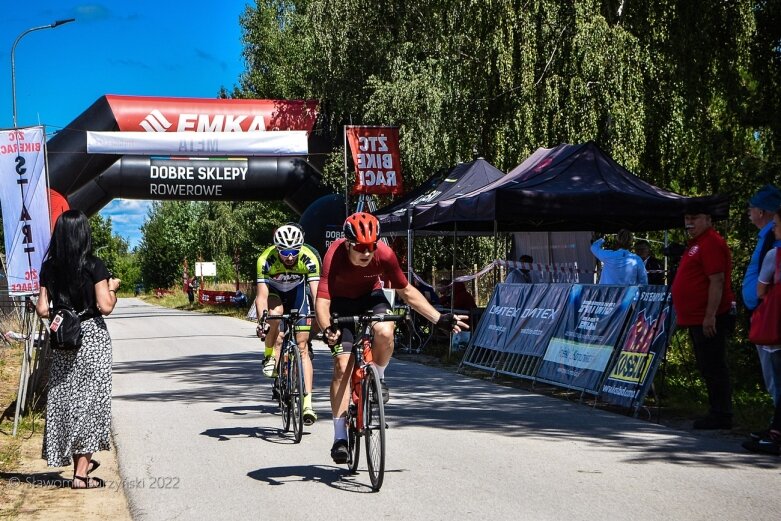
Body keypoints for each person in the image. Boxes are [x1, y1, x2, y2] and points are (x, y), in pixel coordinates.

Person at [315, 212, 468, 463]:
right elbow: (322, 301)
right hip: (340, 305)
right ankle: (340, 436)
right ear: (347, 244)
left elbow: (407, 292)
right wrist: (326, 329)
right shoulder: (335, 254)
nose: (367, 253)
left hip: (370, 298)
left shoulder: (384, 254)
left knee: (386, 330)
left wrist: (438, 318)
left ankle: (379, 377)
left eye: (371, 246)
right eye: (361, 248)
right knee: (342, 366)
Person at [35, 210, 121, 489]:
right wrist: (113, 288)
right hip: (92, 340)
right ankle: (81, 475)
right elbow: (105, 306)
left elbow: (42, 309)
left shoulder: (49, 268)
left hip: (63, 341)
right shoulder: (94, 265)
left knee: (66, 401)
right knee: (90, 403)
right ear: (84, 234)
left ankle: (78, 467)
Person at [671, 211, 735, 429]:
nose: (689, 222)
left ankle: (722, 413)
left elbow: (717, 280)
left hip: (709, 317)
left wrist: (710, 315)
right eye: (686, 218)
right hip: (696, 317)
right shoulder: (696, 243)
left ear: (708, 220)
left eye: (694, 218)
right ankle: (716, 410)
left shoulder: (711, 242)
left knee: (714, 365)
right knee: (707, 365)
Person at [255, 223, 320, 425]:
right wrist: (262, 321)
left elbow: (317, 294)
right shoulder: (266, 259)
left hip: (297, 295)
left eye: (294, 251)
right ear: (277, 248)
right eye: (285, 252)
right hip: (274, 294)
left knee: (303, 347)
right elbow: (261, 296)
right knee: (275, 314)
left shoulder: (308, 257)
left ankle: (307, 403)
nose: (290, 256)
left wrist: (323, 319)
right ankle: (269, 357)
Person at [742, 197, 781, 455]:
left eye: (777, 224)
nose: (774, 229)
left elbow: (761, 288)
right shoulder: (770, 246)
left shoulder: (774, 251)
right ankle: (775, 428)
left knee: (777, 381)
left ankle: (776, 433)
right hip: (772, 324)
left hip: (774, 323)